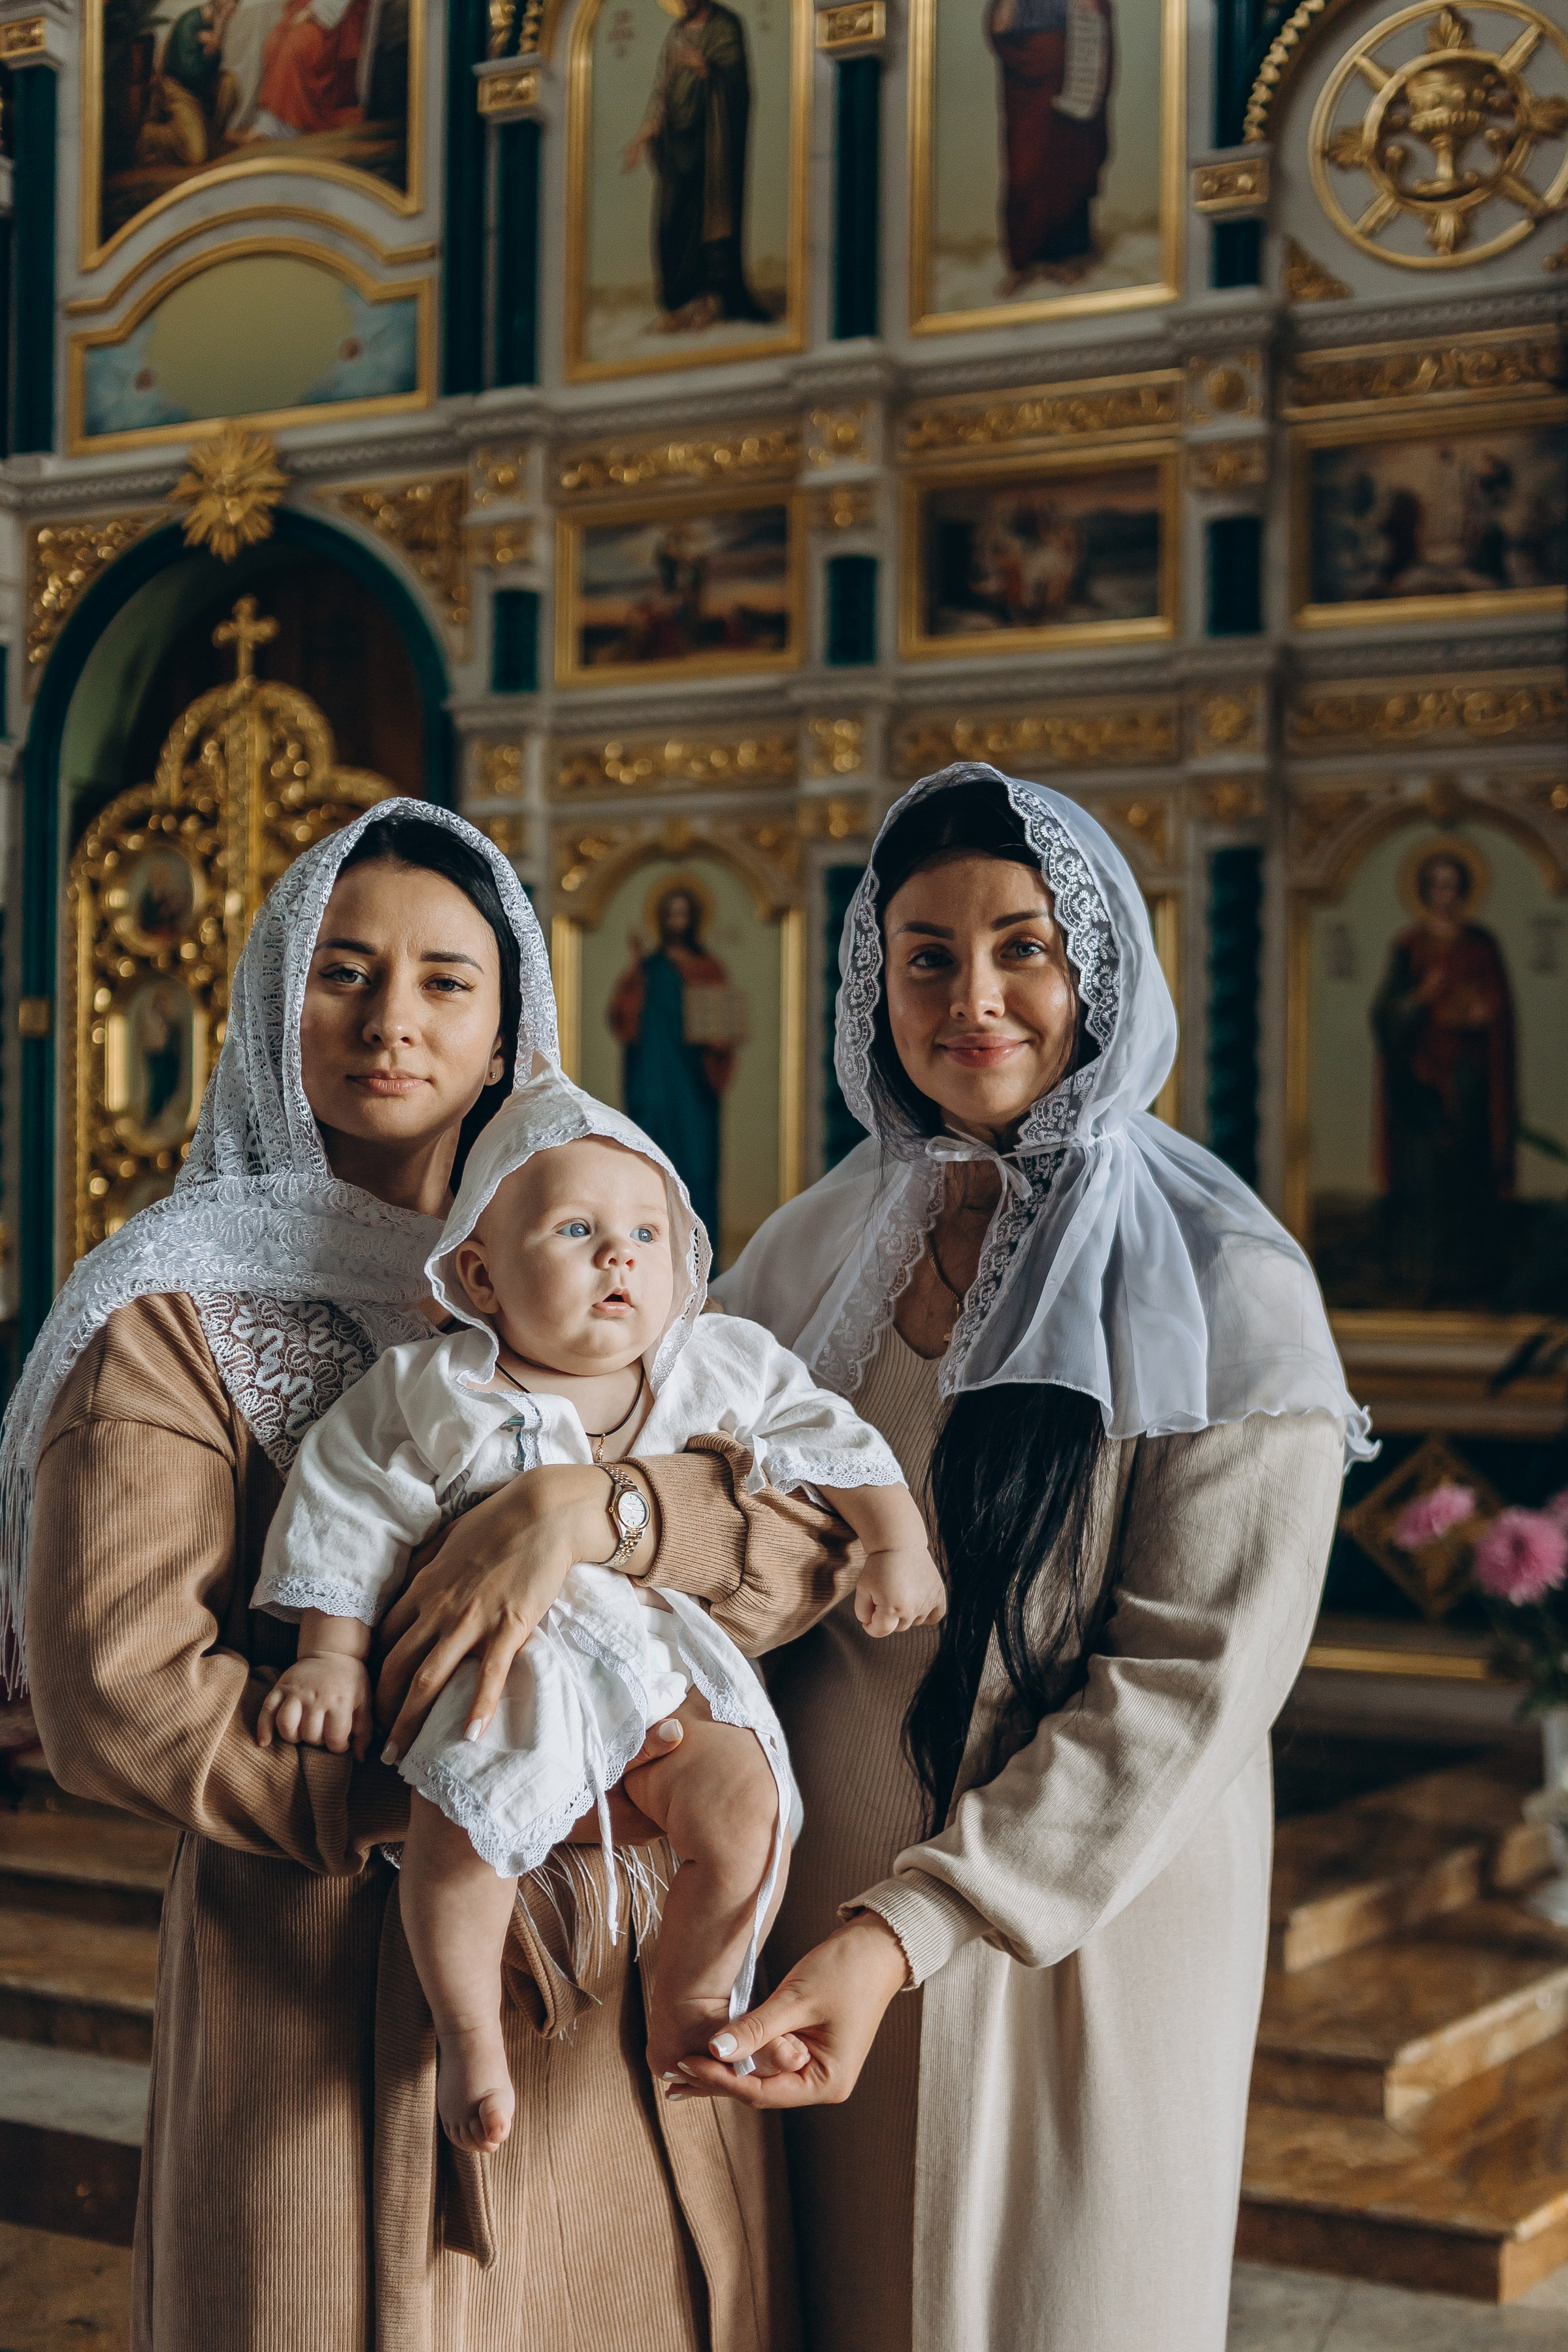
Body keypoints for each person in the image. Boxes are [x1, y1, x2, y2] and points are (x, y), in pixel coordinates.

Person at [11, 802, 853, 2351]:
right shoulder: (168, 1316)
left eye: (445, 980)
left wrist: (592, 1511)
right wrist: (471, 1798)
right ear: (275, 999)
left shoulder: (597, 1246)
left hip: (622, 1956)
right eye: (342, 971)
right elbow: (119, 1690)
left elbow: (799, 1535)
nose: (391, 1019)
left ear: (509, 1021)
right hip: (330, 1970)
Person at [679, 764, 1369, 2352]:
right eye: (923, 953)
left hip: (1080, 1920)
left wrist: (915, 1923)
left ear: (1098, 971)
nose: (970, 997)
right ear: (871, 981)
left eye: (1021, 947)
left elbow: (1184, 1691)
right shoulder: (805, 1249)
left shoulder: (1225, 1282)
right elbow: (733, 1541)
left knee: (1065, 2300)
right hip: (820, 1896)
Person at [253, 1064, 938, 2148]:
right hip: (507, 1682)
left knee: (749, 1805)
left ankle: (697, 1997)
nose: (619, 1256)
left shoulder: (712, 1366)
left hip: (668, 1679)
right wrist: (331, 1655)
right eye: (574, 1232)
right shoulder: (440, 1391)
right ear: (479, 1273)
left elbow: (823, 1432)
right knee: (460, 1831)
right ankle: (467, 2030)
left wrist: (895, 1540)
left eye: (645, 1234)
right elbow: (347, 1501)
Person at [1371, 847, 1516, 1304]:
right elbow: (1383, 1017)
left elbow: (1501, 1015)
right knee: (1425, 1178)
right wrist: (1418, 999)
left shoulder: (1481, 947)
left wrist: (1484, 1017)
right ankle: (1420, 1273)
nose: (1445, 895)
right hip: (1420, 1088)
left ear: (1464, 891)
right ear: (1425, 892)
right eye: (1436, 886)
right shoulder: (1408, 948)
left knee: (1464, 1177)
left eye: (1452, 886)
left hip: (1469, 1082)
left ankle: (1470, 1275)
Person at [623, 0, 772, 333]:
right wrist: (643, 136)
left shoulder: (726, 27)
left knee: (710, 219)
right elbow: (662, 91)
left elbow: (735, 82)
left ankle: (710, 301)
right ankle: (677, 305)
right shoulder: (676, 33)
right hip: (676, 146)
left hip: (713, 145)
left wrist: (702, 65)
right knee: (670, 220)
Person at [610, 883, 738, 1247]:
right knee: (652, 1166)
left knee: (696, 1167)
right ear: (662, 919)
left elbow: (724, 1025)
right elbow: (622, 1019)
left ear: (693, 919)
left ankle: (700, 1258)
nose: (677, 921)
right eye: (671, 914)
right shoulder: (647, 969)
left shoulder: (709, 968)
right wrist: (635, 972)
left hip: (694, 1087)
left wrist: (718, 1038)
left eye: (683, 913)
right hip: (653, 1084)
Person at [985, 0, 1113, 294]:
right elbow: (999, 26)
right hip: (1026, 90)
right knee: (1024, 174)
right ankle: (1022, 262)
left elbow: (1099, 17)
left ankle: (1065, 257)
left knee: (1070, 168)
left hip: (1074, 77)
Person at [135, 0, 240, 166]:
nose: (233, 13)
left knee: (229, 83)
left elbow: (213, 64)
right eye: (230, 8)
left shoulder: (215, 22)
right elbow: (190, 73)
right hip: (178, 88)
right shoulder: (190, 23)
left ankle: (211, 138)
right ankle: (150, 136)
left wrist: (214, 50)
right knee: (196, 155)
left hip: (197, 85)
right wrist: (211, 53)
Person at [250, 0, 371, 140]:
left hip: (334, 26)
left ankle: (288, 128)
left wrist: (313, 12)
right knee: (274, 42)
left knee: (298, 45)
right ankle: (270, 123)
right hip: (307, 12)